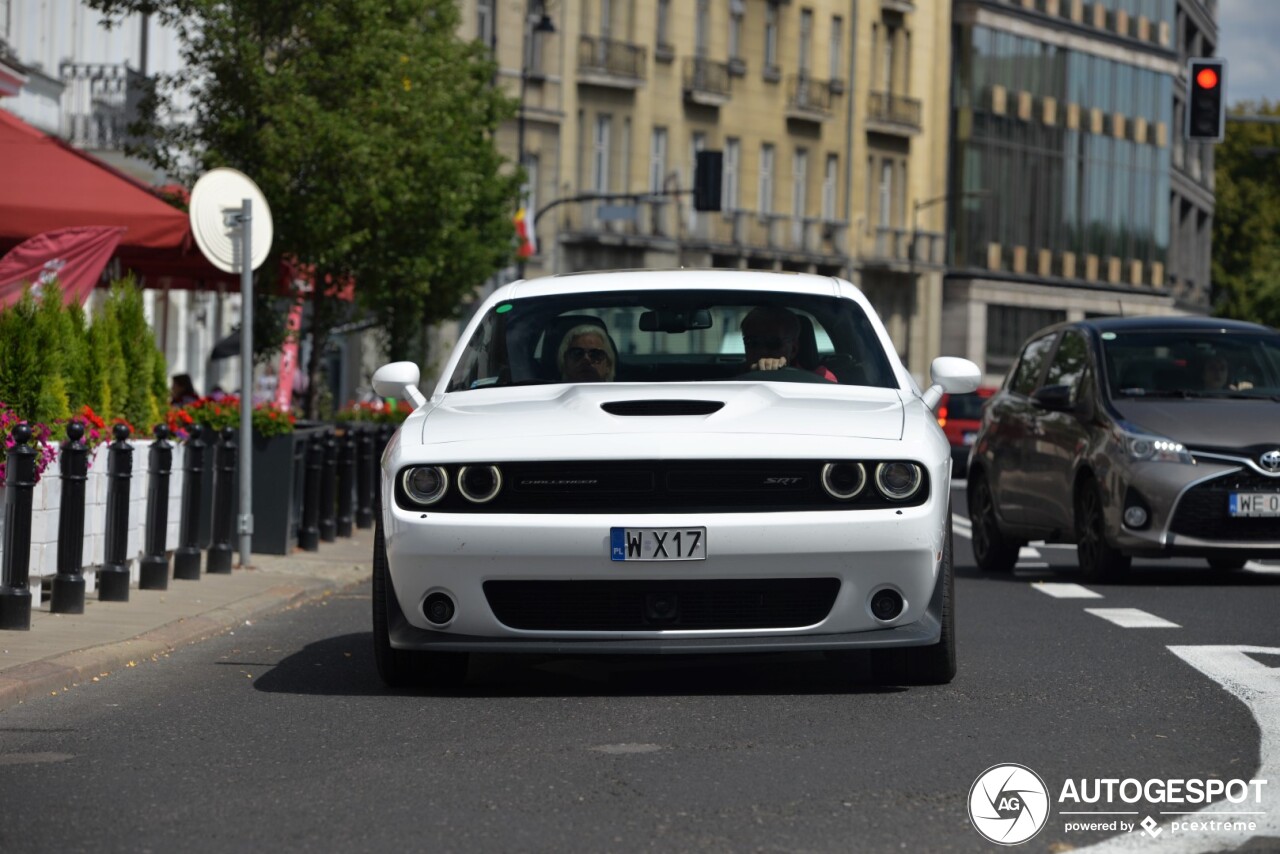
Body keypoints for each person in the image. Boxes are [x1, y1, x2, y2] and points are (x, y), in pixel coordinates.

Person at [740, 306, 837, 382]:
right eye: (752, 342)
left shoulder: (820, 379)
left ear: (793, 349)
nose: (761, 350)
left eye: (773, 343)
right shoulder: (730, 379)